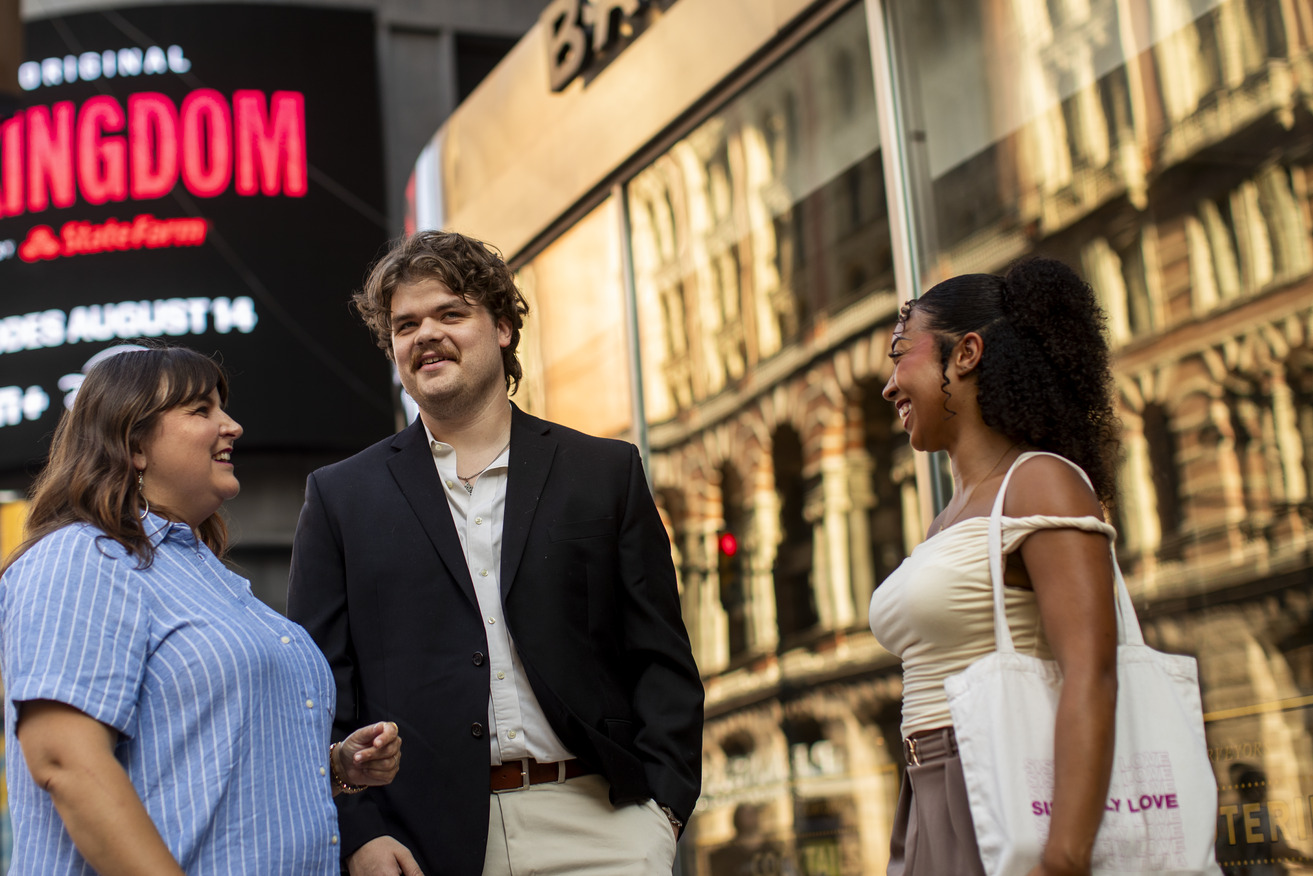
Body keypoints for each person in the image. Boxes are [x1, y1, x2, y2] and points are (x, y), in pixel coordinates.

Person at [286, 229, 704, 876]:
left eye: (450, 314)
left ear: (503, 328)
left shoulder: (603, 472)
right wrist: (357, 833)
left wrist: (663, 813)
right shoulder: (340, 497)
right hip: (422, 844)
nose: (426, 334)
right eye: (406, 325)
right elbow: (317, 689)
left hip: (601, 828)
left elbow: (660, 659)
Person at [0, 346, 402, 876]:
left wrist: (333, 765)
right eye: (200, 409)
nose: (232, 426)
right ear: (133, 444)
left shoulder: (207, 576)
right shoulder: (82, 557)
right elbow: (65, 760)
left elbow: (195, 766)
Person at [870, 258, 1121, 876]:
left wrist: (1063, 858)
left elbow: (1092, 670)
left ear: (966, 353)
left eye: (900, 353)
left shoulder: (1041, 482)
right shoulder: (947, 518)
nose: (890, 386)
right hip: (926, 791)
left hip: (998, 785)